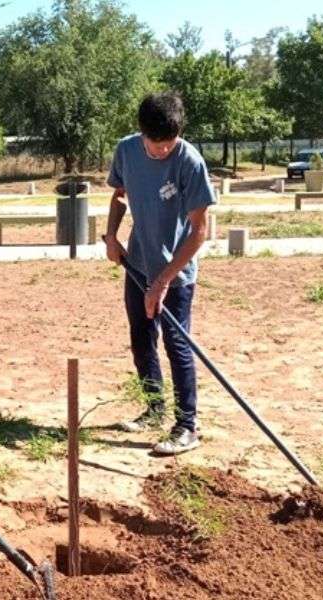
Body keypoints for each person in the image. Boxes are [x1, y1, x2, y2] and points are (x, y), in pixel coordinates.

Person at [103, 91, 216, 456]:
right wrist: (111, 237)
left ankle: (187, 425)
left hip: (176, 273)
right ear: (142, 134)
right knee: (141, 339)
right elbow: (119, 195)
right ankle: (154, 409)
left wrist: (164, 280)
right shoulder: (127, 150)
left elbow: (200, 230)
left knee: (177, 345)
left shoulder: (190, 162)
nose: (163, 151)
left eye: (169, 143)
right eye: (156, 145)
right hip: (137, 263)